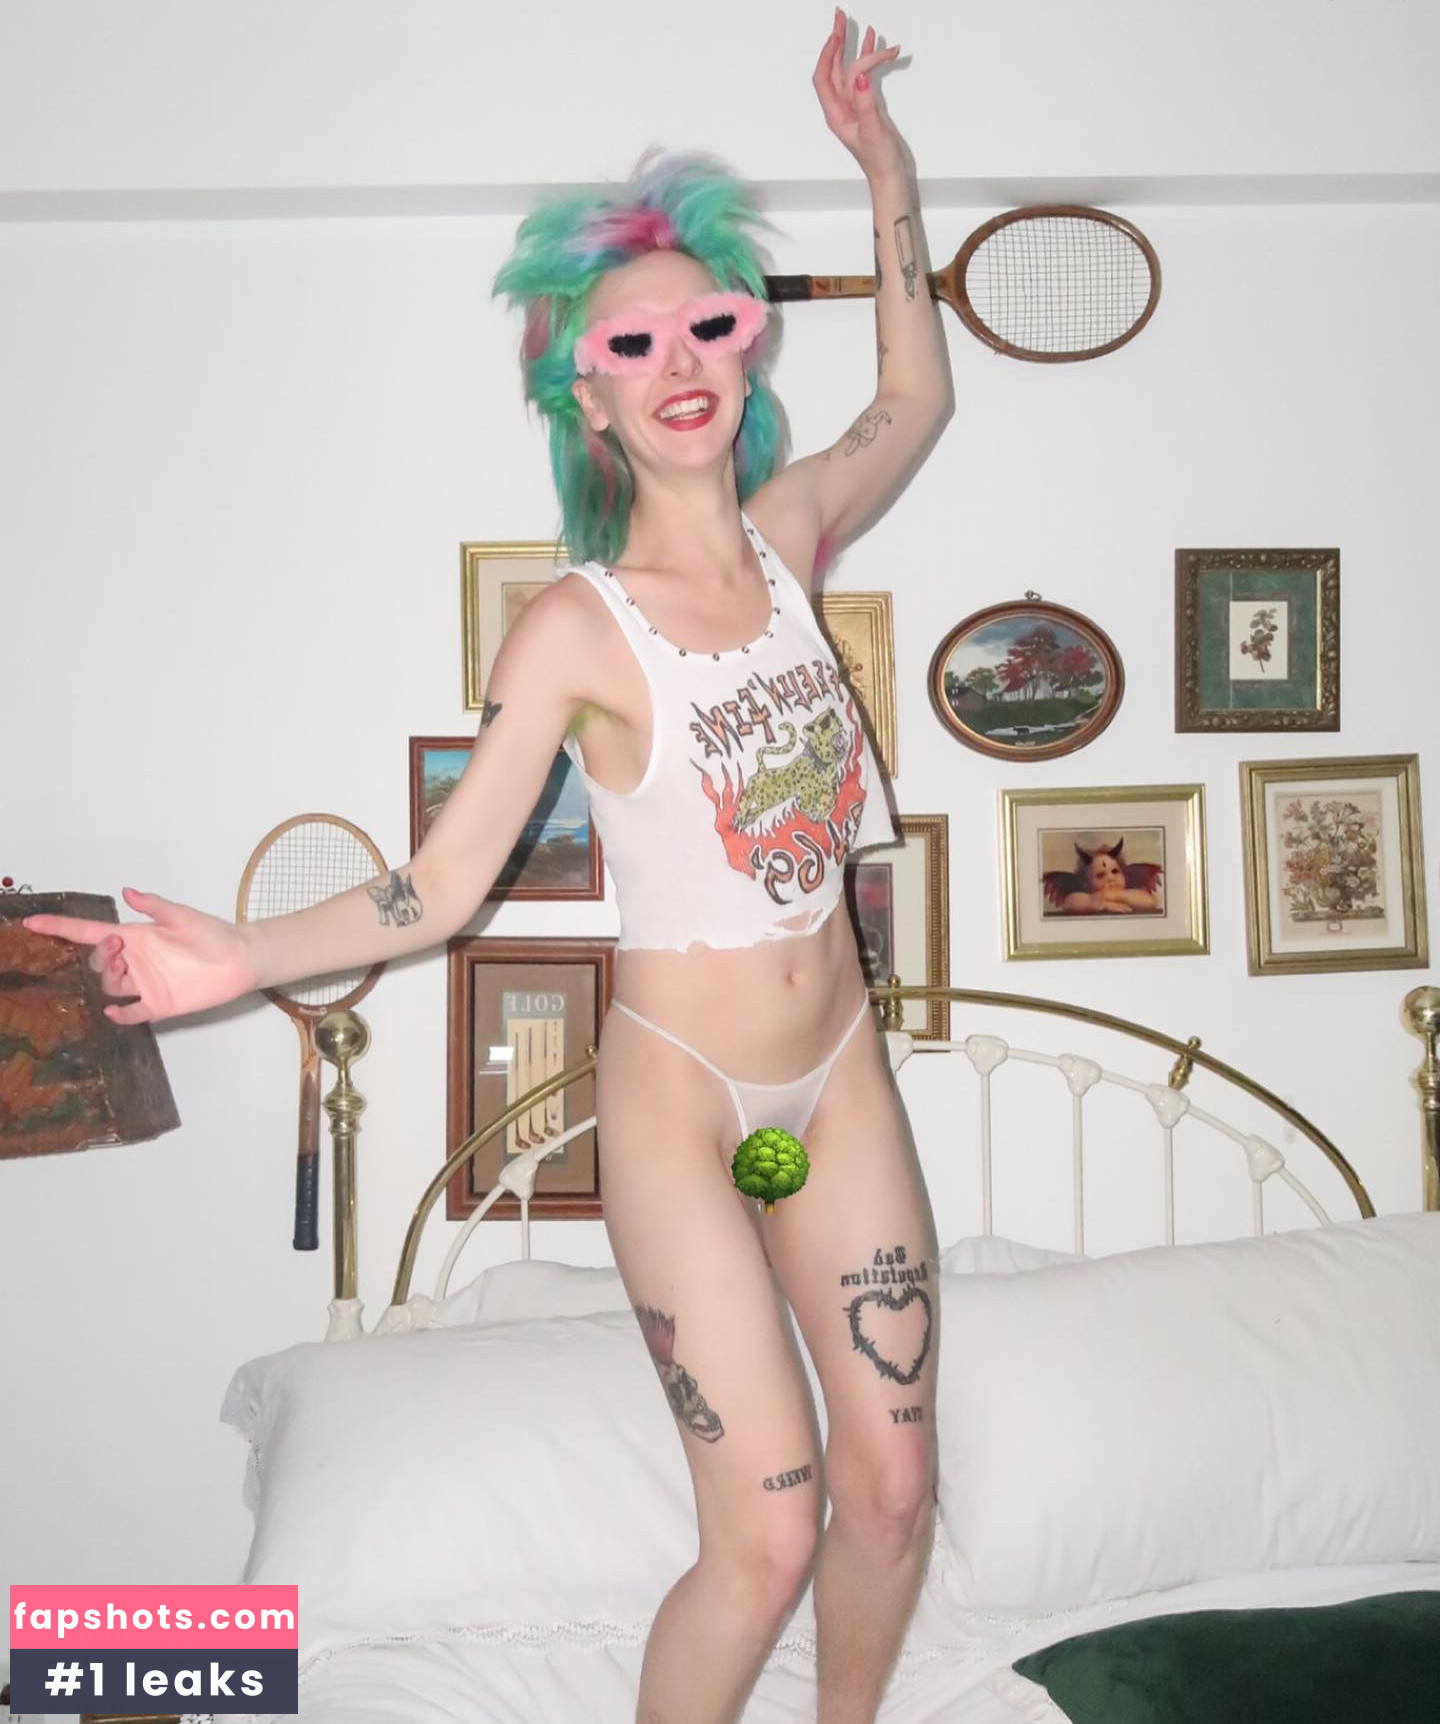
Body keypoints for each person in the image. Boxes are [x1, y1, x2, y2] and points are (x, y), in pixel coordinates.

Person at [25, 13, 954, 1722]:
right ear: (586, 395)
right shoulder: (577, 629)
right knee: (767, 1535)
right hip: (684, 1103)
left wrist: (881, 164)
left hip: (839, 1073)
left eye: (711, 322)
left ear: (749, 354)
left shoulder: (793, 539)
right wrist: (247, 956)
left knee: (892, 1493)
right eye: (631, 342)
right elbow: (442, 885)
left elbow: (917, 395)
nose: (679, 357)